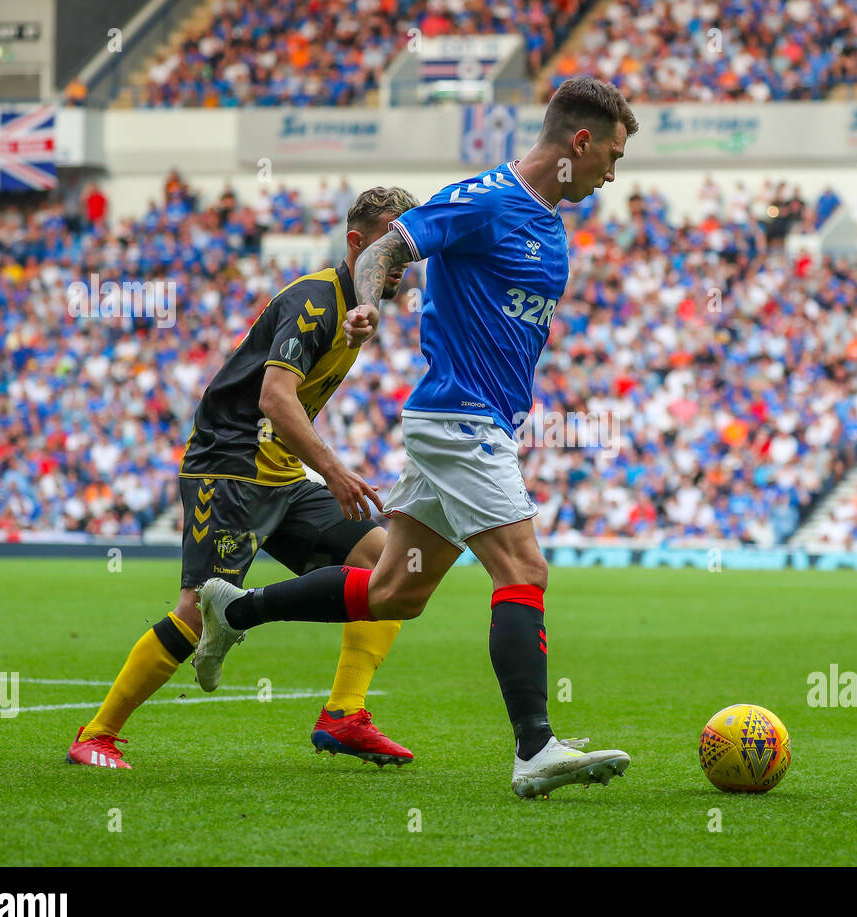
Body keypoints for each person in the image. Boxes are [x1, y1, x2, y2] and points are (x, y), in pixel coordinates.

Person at [194, 77, 639, 799]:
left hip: (482, 422)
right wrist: (366, 306)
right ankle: (535, 749)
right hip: (460, 420)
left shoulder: (550, 225)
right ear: (578, 143)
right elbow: (381, 252)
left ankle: (233, 608)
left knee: (398, 590)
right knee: (524, 572)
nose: (611, 174)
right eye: (610, 157)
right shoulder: (486, 199)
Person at [66, 187, 420, 770]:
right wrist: (333, 471)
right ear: (357, 243)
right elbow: (275, 397)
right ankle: (96, 735)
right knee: (194, 609)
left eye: (407, 250)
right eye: (391, 245)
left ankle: (344, 716)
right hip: (227, 465)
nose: (402, 261)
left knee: (388, 569)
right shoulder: (315, 301)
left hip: (278, 470)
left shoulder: (356, 308)